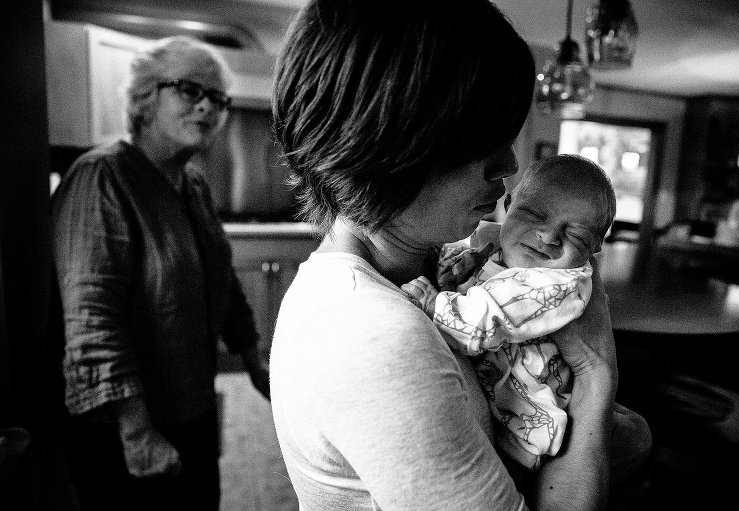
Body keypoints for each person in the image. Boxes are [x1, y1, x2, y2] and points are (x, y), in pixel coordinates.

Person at [270, 1, 621, 509]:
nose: (511, 165)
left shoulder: (424, 266)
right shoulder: (376, 338)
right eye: (486, 141)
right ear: (390, 146)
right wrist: (597, 380)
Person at [50, 36, 269, 511]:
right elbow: (92, 319)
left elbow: (223, 279)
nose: (208, 107)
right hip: (125, 425)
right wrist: (137, 433)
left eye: (218, 99)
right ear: (146, 97)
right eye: (191, 91)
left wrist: (254, 363)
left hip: (191, 403)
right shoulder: (101, 176)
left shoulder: (191, 182)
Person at [402, 154, 651, 475]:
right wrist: (454, 272)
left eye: (575, 235)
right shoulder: (495, 250)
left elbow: (479, 323)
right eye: (533, 214)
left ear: (595, 247)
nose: (548, 237)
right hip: (499, 405)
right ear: (508, 204)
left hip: (529, 433)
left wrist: (433, 302)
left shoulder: (560, 282)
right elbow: (474, 276)